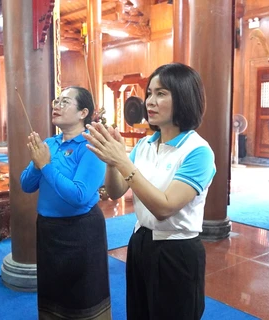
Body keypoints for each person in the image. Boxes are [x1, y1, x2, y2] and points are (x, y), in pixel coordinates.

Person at [83, 63, 216, 320]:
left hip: (176, 251)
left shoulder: (198, 151)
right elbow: (116, 191)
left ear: (184, 98)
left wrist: (122, 161)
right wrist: (113, 161)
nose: (149, 102)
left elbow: (164, 207)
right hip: (140, 242)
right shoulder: (145, 144)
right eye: (149, 93)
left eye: (161, 93)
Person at [20, 86, 111, 319]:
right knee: (53, 299)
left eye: (65, 102)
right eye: (56, 101)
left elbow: (79, 196)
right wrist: (37, 163)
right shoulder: (50, 143)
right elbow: (27, 185)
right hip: (49, 232)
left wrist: (46, 166)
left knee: (82, 299)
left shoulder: (92, 145)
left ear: (83, 112)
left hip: (81, 232)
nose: (57, 106)